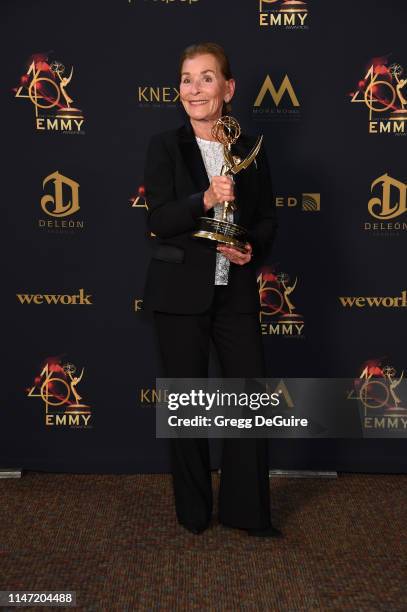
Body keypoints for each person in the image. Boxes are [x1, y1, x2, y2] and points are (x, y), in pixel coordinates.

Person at [143, 42, 280, 537]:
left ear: (228, 88)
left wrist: (250, 251)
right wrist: (204, 196)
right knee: (188, 406)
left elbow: (266, 219)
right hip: (179, 294)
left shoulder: (250, 150)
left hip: (236, 293)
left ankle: (247, 513)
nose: (194, 89)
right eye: (186, 79)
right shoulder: (163, 146)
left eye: (205, 78)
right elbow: (159, 219)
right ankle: (194, 513)